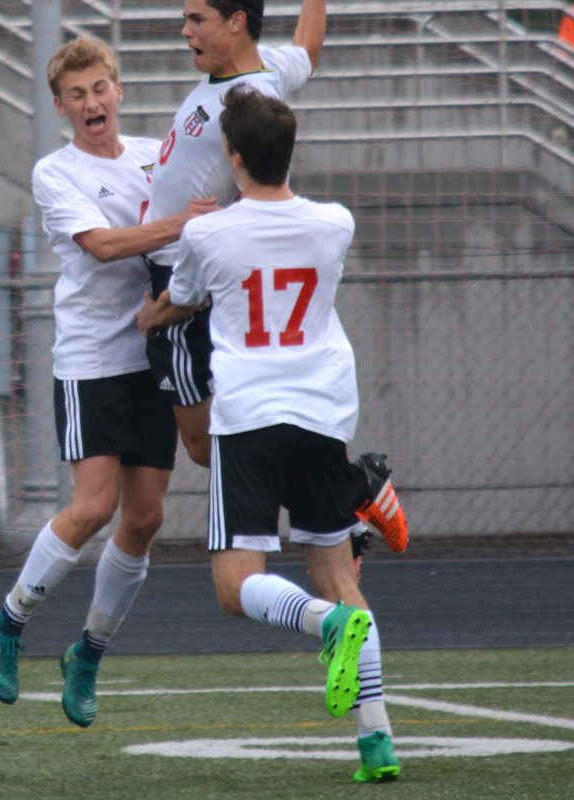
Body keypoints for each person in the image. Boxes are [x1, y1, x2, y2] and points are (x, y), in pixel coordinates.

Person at [137, 86, 401, 783]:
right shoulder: (333, 224)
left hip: (250, 418)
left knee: (235, 586)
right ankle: (377, 744)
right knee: (340, 574)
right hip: (320, 416)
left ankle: (326, 627)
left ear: (233, 157)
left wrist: (150, 319)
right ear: (288, 154)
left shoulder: (208, 231)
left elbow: (183, 300)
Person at [0, 36, 217, 726]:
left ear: (119, 92)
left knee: (145, 517)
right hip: (91, 358)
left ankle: (87, 654)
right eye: (76, 94)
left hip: (155, 349)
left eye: (99, 89)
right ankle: (9, 623)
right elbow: (103, 245)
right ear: (60, 106)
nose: (91, 103)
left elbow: (198, 226)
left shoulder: (155, 154)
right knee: (91, 508)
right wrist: (181, 223)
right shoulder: (55, 173)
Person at [143, 0, 330, 470]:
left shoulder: (244, 103)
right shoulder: (266, 68)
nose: (185, 31)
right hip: (177, 265)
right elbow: (309, 51)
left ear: (237, 22)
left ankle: (336, 489)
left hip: (182, 277)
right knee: (222, 435)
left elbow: (261, 191)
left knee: (204, 448)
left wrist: (171, 301)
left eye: (197, 19)